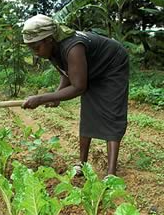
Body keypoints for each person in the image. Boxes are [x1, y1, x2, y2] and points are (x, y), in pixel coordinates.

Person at [22, 14, 129, 176]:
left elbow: (78, 87)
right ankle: (82, 164)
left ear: (49, 39)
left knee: (112, 115)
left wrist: (42, 98)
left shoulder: (73, 48)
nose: (34, 52)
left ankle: (111, 173)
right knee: (88, 115)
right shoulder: (53, 49)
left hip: (113, 64)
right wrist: (57, 96)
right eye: (31, 48)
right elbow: (67, 73)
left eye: (36, 47)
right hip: (93, 67)